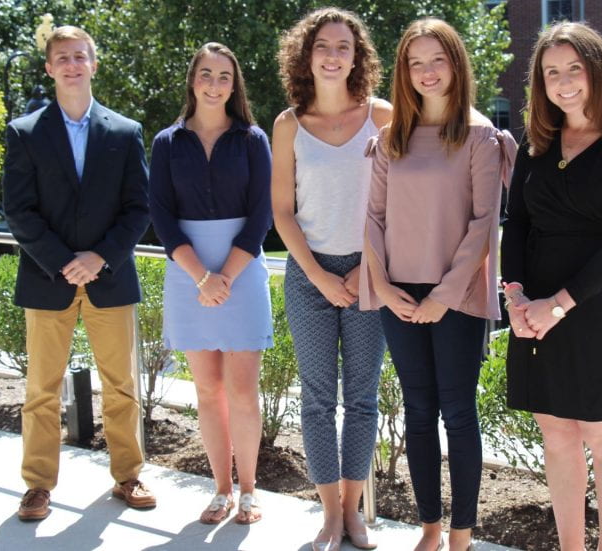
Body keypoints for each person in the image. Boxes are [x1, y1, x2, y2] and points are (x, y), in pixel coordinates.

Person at [360, 18, 516, 551]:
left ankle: (461, 534)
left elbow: (483, 223)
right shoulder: (389, 139)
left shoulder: (479, 136)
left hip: (459, 296)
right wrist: (381, 286)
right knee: (418, 412)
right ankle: (429, 526)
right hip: (397, 294)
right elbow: (373, 220)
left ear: (457, 65)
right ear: (404, 71)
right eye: (414, 62)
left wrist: (443, 298)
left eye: (437, 60)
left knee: (458, 412)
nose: (426, 72)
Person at [500, 21, 602, 551]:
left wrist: (557, 306)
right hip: (534, 307)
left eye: (574, 70)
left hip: (596, 307)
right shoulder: (535, 144)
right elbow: (515, 222)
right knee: (557, 432)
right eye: (551, 72)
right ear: (539, 83)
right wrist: (516, 298)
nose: (563, 82)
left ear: (596, 73)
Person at [3, 25, 154, 521]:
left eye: (80, 56)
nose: (71, 65)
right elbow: (19, 211)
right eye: (62, 58)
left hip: (109, 278)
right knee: (41, 390)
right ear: (50, 69)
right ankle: (38, 486)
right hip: (48, 280)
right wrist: (64, 262)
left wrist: (99, 258)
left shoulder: (125, 131)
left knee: (121, 385)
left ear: (93, 63)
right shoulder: (24, 133)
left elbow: (139, 208)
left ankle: (128, 476)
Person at [271, 7, 391, 551]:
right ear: (307, 54)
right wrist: (318, 275)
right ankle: (327, 518)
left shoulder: (384, 116)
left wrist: (370, 265)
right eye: (323, 45)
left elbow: (401, 202)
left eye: (344, 46)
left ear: (357, 57)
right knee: (318, 399)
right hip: (309, 273)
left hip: (371, 274)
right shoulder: (289, 125)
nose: (333, 55)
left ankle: (353, 513)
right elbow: (281, 212)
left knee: (362, 398)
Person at [148, 42, 272, 526]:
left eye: (224, 75)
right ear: (192, 80)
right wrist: (201, 276)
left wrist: (223, 277)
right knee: (207, 390)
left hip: (241, 272)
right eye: (206, 73)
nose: (215, 84)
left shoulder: (253, 140)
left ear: (234, 84)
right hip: (187, 275)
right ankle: (220, 490)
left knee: (243, 390)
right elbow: (161, 215)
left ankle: (249, 491)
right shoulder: (166, 142)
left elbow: (262, 216)